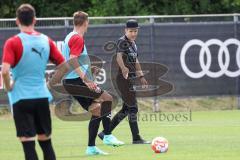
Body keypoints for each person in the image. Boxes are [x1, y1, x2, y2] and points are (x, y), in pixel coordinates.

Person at [1, 4, 65, 160]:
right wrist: (49, 85)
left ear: (17, 21)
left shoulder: (13, 42)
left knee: (28, 145)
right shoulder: (46, 40)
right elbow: (64, 66)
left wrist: (9, 87)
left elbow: (4, 71)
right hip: (41, 97)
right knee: (46, 143)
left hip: (21, 98)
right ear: (35, 20)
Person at [62, 11, 124, 156]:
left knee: (96, 110)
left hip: (71, 81)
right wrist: (85, 78)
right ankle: (107, 135)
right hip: (76, 81)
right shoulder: (77, 38)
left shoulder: (69, 36)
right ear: (86, 23)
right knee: (108, 98)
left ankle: (91, 148)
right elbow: (72, 59)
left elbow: (73, 60)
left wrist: (89, 72)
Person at [98, 19, 151, 144]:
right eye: (131, 31)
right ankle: (136, 138)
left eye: (135, 31)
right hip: (123, 78)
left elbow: (136, 61)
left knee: (127, 109)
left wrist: (141, 76)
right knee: (133, 108)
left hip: (130, 78)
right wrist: (123, 68)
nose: (133, 33)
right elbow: (118, 57)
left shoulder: (134, 44)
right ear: (125, 30)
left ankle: (105, 132)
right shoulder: (122, 41)